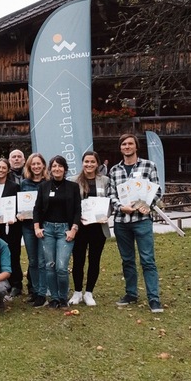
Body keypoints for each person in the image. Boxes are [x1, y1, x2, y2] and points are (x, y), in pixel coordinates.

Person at [107, 133, 164, 313]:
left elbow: (156, 190)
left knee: (147, 259)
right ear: (120, 148)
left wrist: (148, 205)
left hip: (142, 221)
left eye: (130, 144)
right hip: (121, 221)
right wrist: (120, 207)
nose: (127, 147)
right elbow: (111, 194)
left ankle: (154, 298)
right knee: (127, 260)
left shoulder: (149, 166)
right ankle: (131, 293)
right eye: (124, 144)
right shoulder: (114, 170)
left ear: (136, 146)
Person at [33, 155, 82, 309]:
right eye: (54, 166)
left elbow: (77, 210)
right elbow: (37, 209)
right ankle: (53, 298)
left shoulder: (73, 187)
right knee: (50, 265)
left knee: (61, 267)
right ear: (50, 169)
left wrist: (73, 229)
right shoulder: (44, 186)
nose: (57, 169)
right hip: (47, 230)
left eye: (60, 166)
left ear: (65, 169)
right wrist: (37, 227)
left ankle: (63, 297)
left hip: (65, 230)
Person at [68, 151, 111, 306]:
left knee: (94, 260)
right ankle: (77, 292)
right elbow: (70, 203)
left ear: (97, 164)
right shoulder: (73, 180)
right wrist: (75, 217)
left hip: (98, 227)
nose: (89, 165)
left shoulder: (105, 180)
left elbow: (110, 201)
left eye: (92, 162)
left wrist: (106, 214)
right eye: (86, 161)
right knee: (78, 260)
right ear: (82, 163)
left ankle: (89, 293)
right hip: (79, 228)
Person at [18, 153, 48, 305]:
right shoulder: (24, 184)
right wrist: (20, 214)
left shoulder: (49, 182)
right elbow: (21, 204)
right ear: (29, 167)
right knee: (33, 260)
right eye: (33, 164)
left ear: (43, 165)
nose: (36, 167)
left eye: (38, 164)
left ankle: (43, 291)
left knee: (43, 261)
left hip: (44, 226)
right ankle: (35, 291)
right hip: (28, 227)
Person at [0, 157, 23, 297]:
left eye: (4, 168)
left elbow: (18, 206)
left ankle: (17, 284)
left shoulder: (14, 186)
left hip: (11, 225)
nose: (1, 170)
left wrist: (14, 216)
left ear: (8, 170)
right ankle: (3, 284)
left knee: (13, 254)